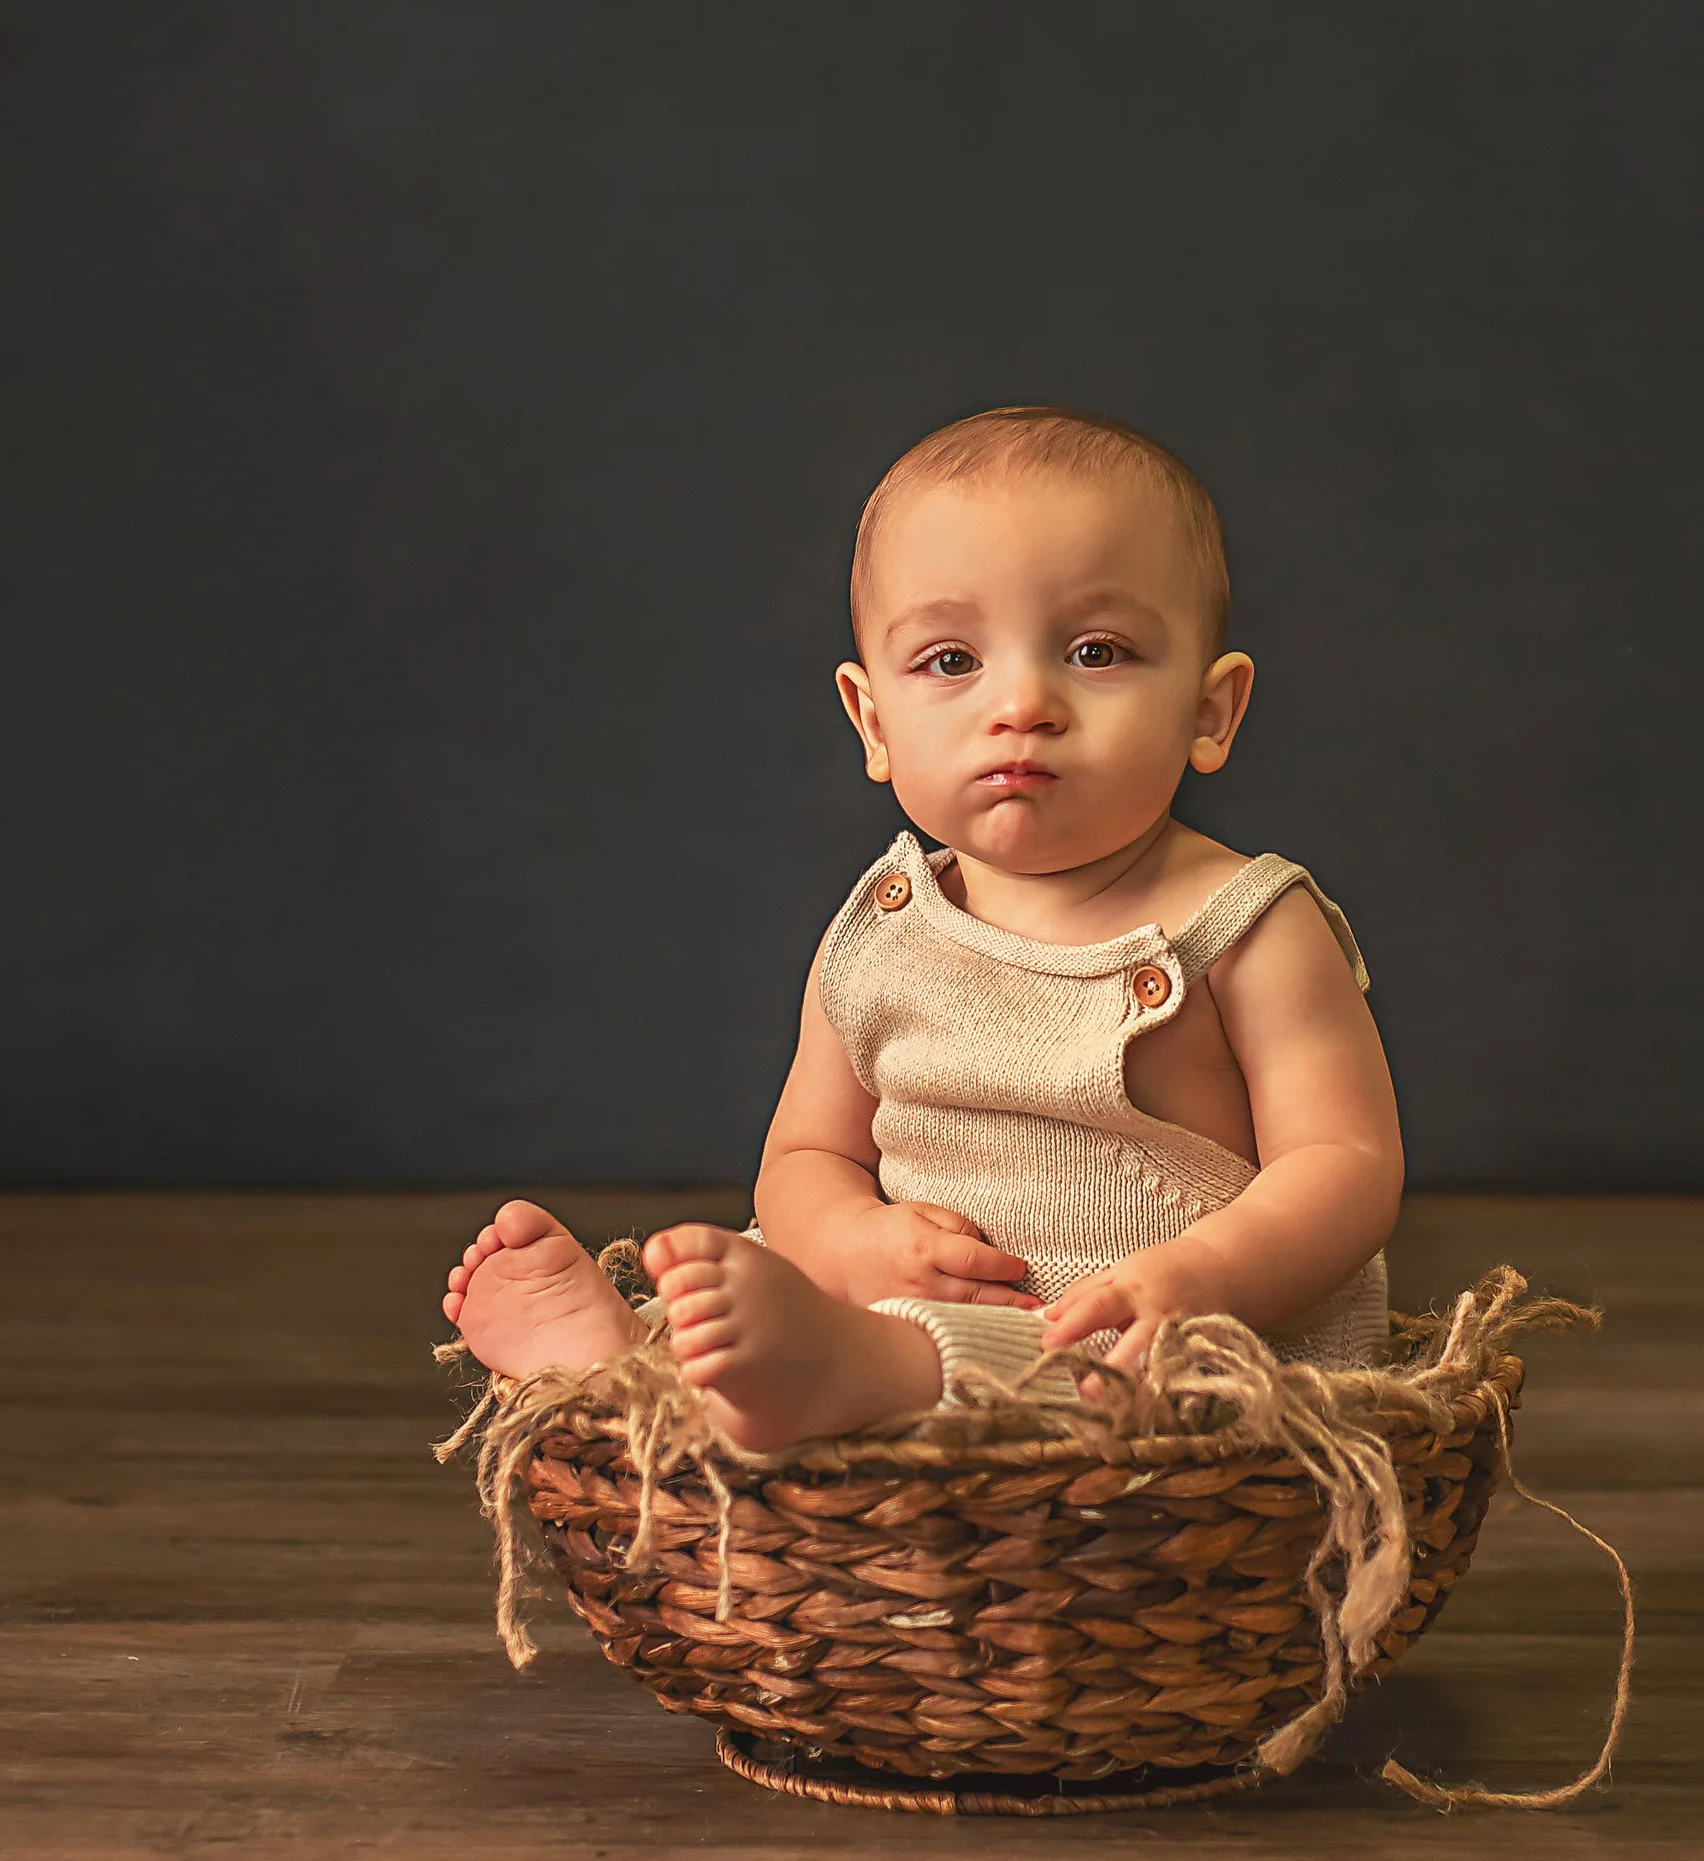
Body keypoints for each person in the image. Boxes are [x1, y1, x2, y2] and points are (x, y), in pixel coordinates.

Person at [440, 407, 1405, 1453]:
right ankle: (627, 1355)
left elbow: (1347, 1162)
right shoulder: (883, 927)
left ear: (1210, 712)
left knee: (1070, 1376)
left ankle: (810, 1374)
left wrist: (1202, 1276)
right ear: (873, 723)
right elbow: (804, 1154)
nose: (1023, 703)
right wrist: (854, 1240)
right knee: (776, 1291)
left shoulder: (1246, 925)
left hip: (1134, 1341)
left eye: (1096, 650)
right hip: (883, 1304)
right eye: (951, 660)